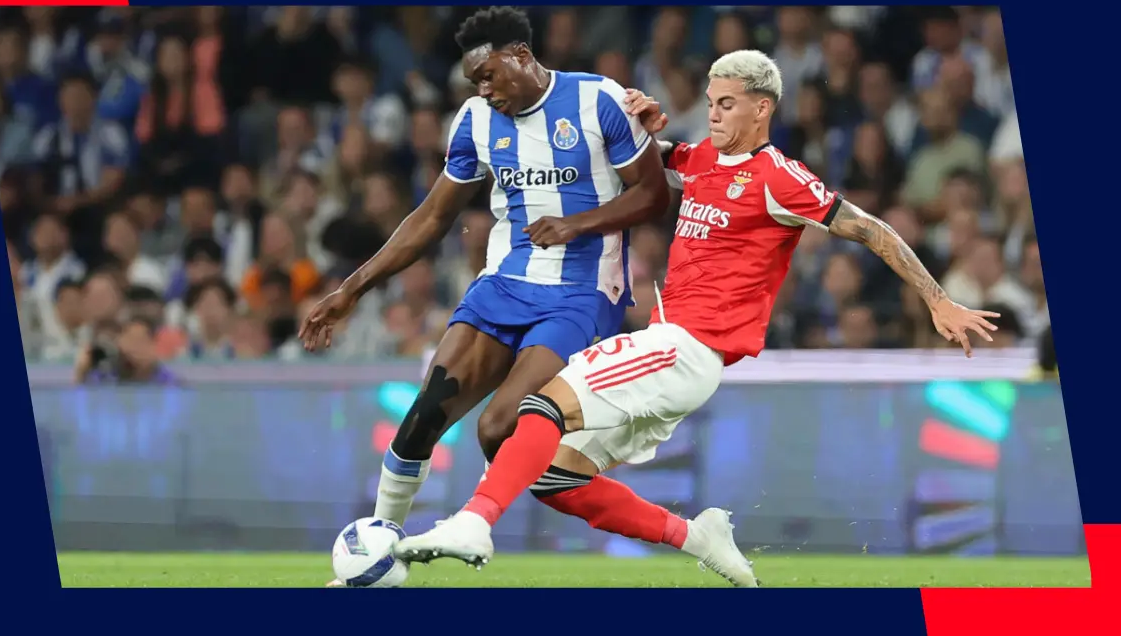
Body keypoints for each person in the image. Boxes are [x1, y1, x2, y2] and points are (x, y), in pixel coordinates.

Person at [394, 50, 999, 587]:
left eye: (727, 104)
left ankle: (474, 523)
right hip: (671, 348)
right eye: (710, 102)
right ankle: (696, 537)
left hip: (688, 346)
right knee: (555, 476)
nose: (713, 114)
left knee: (541, 407)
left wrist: (935, 297)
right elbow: (641, 159)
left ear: (761, 110)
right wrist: (638, 123)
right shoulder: (703, 158)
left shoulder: (777, 177)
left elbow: (868, 228)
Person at [297, 7, 670, 545]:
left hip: (580, 295)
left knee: (498, 428)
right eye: (475, 81)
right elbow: (431, 217)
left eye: (489, 74)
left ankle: (659, 527)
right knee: (422, 417)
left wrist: (575, 225)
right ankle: (380, 548)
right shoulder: (475, 119)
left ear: (521, 55)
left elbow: (653, 193)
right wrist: (350, 289)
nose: (484, 89)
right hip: (501, 286)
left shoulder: (599, 100)